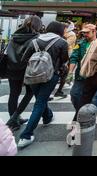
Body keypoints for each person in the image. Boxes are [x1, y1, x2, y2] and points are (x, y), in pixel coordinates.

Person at [17, 21, 69, 149]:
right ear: (60, 30)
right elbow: (64, 59)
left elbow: (24, 58)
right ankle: (26, 135)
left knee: (40, 99)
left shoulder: (35, 40)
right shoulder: (62, 42)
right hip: (50, 76)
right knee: (40, 102)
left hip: (33, 75)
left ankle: (48, 116)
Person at [5, 16, 42, 132]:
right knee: (30, 93)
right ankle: (15, 117)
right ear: (38, 26)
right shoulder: (36, 38)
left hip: (12, 68)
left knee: (13, 94)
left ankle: (14, 119)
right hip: (27, 70)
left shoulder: (14, 36)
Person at [68, 24, 97, 117]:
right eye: (84, 33)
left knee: (94, 100)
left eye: (87, 32)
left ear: (94, 32)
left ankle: (91, 119)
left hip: (95, 76)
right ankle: (81, 113)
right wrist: (70, 72)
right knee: (74, 95)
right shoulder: (80, 43)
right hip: (81, 75)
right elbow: (74, 58)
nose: (85, 34)